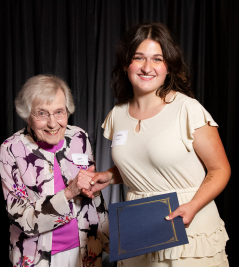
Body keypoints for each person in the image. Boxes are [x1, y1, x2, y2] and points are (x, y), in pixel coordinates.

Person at [79, 22, 230, 267]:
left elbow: (220, 169)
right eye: (139, 58)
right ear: (126, 64)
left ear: (168, 67)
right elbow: (145, 164)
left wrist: (192, 206)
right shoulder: (117, 115)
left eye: (157, 59)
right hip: (139, 226)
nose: (147, 67)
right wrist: (109, 176)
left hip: (187, 223)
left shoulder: (186, 109)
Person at [0, 74, 109, 267]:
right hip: (38, 257)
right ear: (27, 114)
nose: (52, 123)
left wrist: (109, 239)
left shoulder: (78, 137)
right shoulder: (12, 149)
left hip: (86, 251)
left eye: (59, 112)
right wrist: (68, 193)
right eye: (42, 113)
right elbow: (22, 219)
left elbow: (95, 197)